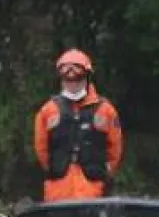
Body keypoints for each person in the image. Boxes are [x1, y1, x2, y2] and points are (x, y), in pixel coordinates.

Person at [33, 49, 123, 203]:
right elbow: (41, 148)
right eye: (67, 81)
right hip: (57, 189)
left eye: (77, 80)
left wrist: (104, 171)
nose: (72, 85)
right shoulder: (48, 110)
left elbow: (115, 148)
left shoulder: (105, 110)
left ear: (87, 78)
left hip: (93, 188)